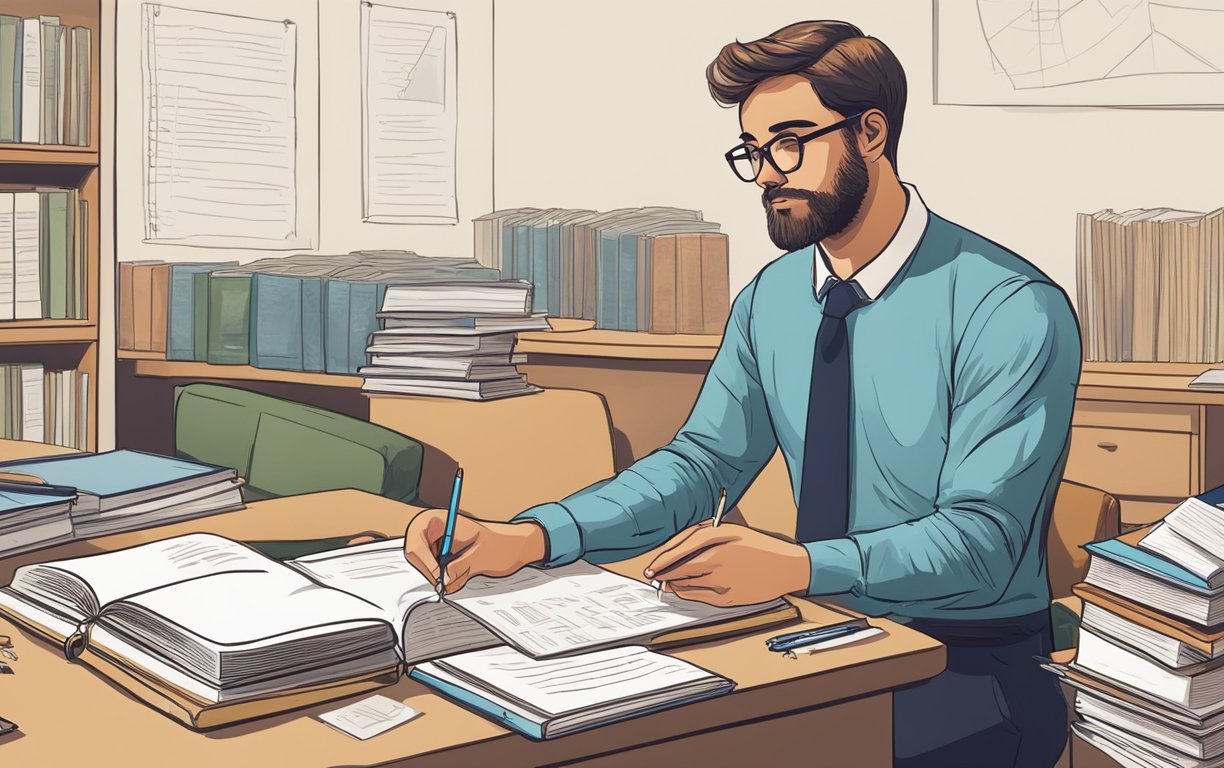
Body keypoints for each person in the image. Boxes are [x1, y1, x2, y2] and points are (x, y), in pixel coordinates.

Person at [405, 19, 1079, 768]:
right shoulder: (773, 298)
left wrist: (799, 567)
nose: (765, 175)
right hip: (814, 634)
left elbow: (983, 542)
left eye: (789, 144)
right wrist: (532, 538)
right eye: (753, 151)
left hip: (970, 667)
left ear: (871, 133)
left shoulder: (1008, 306)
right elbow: (702, 463)